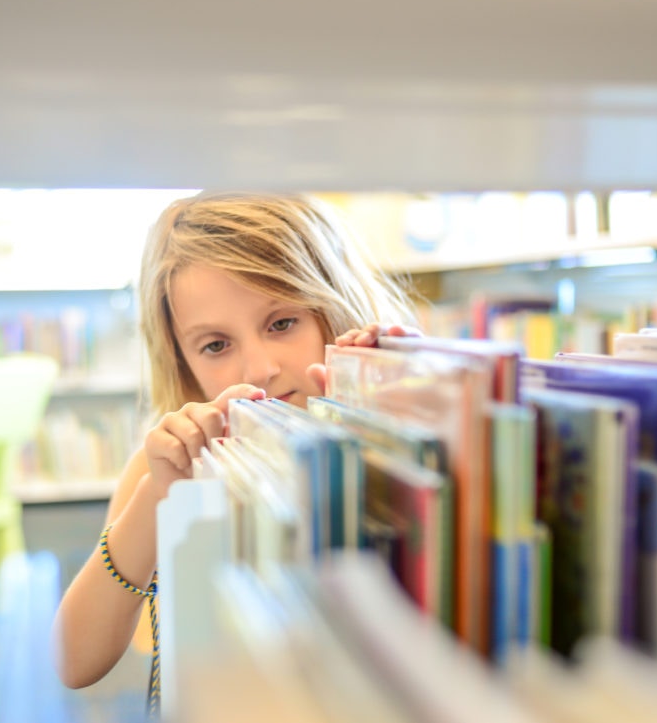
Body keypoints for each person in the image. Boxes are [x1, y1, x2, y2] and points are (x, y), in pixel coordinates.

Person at [53, 192, 420, 706]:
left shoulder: (387, 425)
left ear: (331, 309)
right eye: (216, 345)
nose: (258, 369)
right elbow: (76, 662)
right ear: (183, 362)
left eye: (281, 323)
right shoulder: (164, 468)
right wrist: (159, 496)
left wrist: (398, 409)